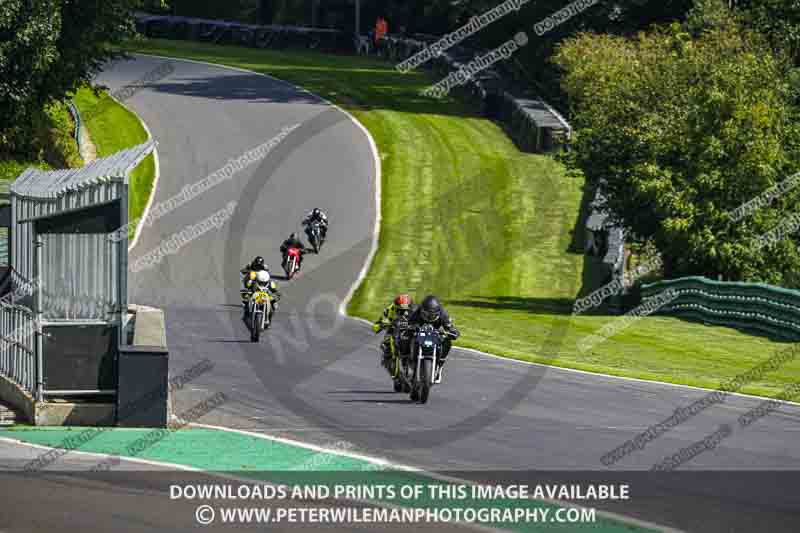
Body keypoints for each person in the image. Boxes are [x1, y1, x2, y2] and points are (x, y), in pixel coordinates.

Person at [406, 295, 460, 380]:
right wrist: (410, 327)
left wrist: (453, 332)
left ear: (438, 313)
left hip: (435, 334)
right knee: (406, 337)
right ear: (422, 311)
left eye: (432, 316)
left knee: (447, 342)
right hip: (419, 333)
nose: (428, 318)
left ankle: (439, 366)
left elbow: (450, 327)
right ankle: (407, 361)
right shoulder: (416, 312)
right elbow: (408, 323)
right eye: (426, 315)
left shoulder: (443, 314)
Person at [372, 294, 415, 369]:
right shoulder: (389, 310)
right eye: (401, 311)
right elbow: (375, 327)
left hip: (410, 330)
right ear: (396, 308)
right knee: (385, 343)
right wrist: (382, 324)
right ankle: (388, 358)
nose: (405, 313)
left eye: (407, 310)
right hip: (394, 330)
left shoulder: (415, 311)